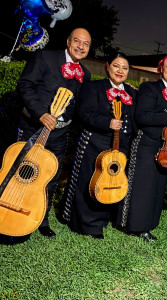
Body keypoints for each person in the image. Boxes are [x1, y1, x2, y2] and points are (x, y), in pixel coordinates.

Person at [17, 28, 91, 238]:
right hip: (34, 127)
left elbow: (81, 104)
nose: (81, 46)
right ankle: (15, 212)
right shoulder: (45, 57)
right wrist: (40, 113)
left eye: (86, 44)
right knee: (24, 172)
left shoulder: (84, 73)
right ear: (68, 42)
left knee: (51, 177)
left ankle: (42, 218)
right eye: (77, 41)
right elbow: (25, 85)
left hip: (60, 134)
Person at [62, 53, 137, 239]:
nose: (120, 71)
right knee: (89, 182)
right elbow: (84, 113)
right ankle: (86, 224)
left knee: (110, 182)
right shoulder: (93, 87)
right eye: (116, 66)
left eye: (125, 68)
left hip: (121, 146)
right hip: (95, 142)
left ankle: (102, 219)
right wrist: (107, 122)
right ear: (107, 67)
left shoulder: (132, 92)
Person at [119, 53, 167, 241]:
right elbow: (141, 116)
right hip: (147, 144)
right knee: (142, 187)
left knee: (157, 187)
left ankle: (149, 224)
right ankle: (135, 225)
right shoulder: (149, 88)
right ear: (161, 69)